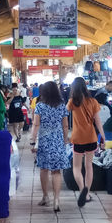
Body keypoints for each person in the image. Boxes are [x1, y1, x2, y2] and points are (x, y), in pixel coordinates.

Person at [30, 81, 70, 212]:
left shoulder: (40, 106)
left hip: (45, 140)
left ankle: (45, 197)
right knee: (57, 171)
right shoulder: (62, 106)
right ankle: (56, 200)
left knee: (44, 169)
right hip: (58, 140)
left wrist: (32, 140)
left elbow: (36, 125)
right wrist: (65, 140)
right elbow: (65, 126)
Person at [67, 77, 106, 207]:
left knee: (77, 167)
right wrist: (103, 137)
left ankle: (82, 188)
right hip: (91, 137)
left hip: (78, 138)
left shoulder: (72, 102)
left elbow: (65, 114)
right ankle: (87, 193)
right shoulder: (93, 101)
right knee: (89, 166)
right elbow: (98, 121)